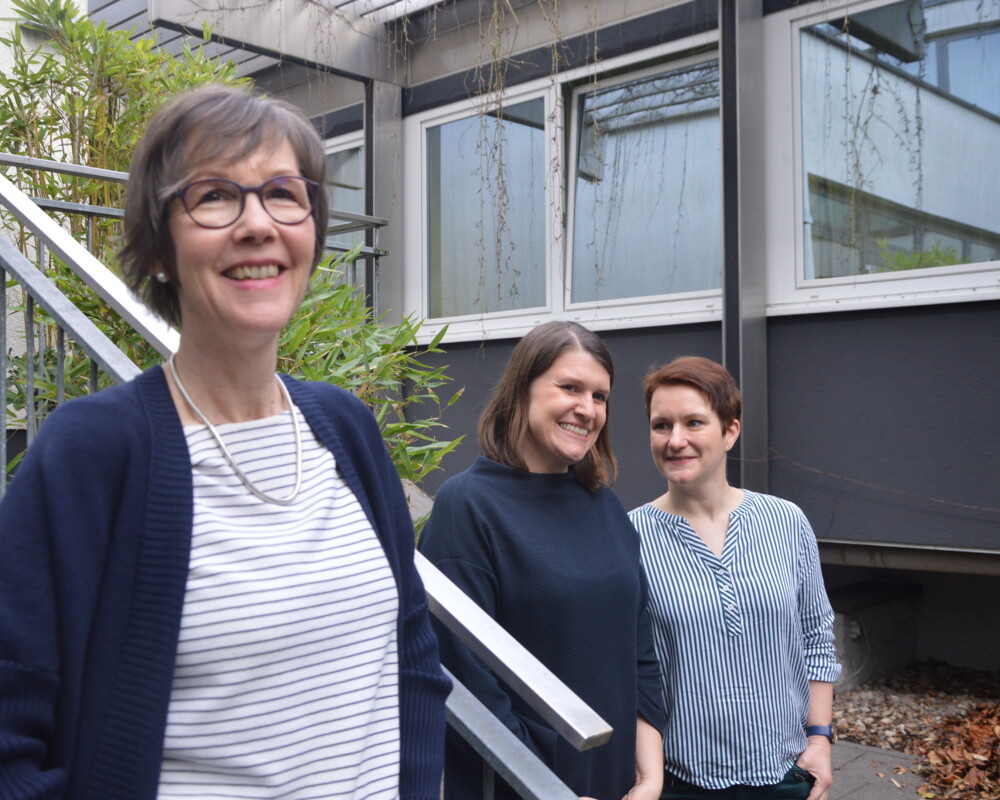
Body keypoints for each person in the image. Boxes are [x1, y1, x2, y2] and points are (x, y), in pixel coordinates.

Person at [0, 85, 450, 800]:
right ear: (159, 249)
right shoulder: (89, 454)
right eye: (214, 196)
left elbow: (412, 654)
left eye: (283, 193)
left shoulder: (346, 428)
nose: (257, 224)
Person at [419, 320, 665, 800]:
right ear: (522, 391)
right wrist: (549, 790)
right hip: (519, 786)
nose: (587, 409)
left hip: (617, 784)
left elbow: (639, 649)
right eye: (569, 387)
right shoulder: (468, 507)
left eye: (599, 396)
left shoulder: (606, 507)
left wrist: (650, 775)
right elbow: (464, 682)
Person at [628, 356, 841, 800]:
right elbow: (629, 670)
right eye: (661, 425)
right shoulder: (628, 537)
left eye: (693, 422)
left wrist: (820, 739)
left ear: (730, 431)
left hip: (785, 774)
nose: (676, 440)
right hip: (681, 780)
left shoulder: (785, 521)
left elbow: (817, 637)